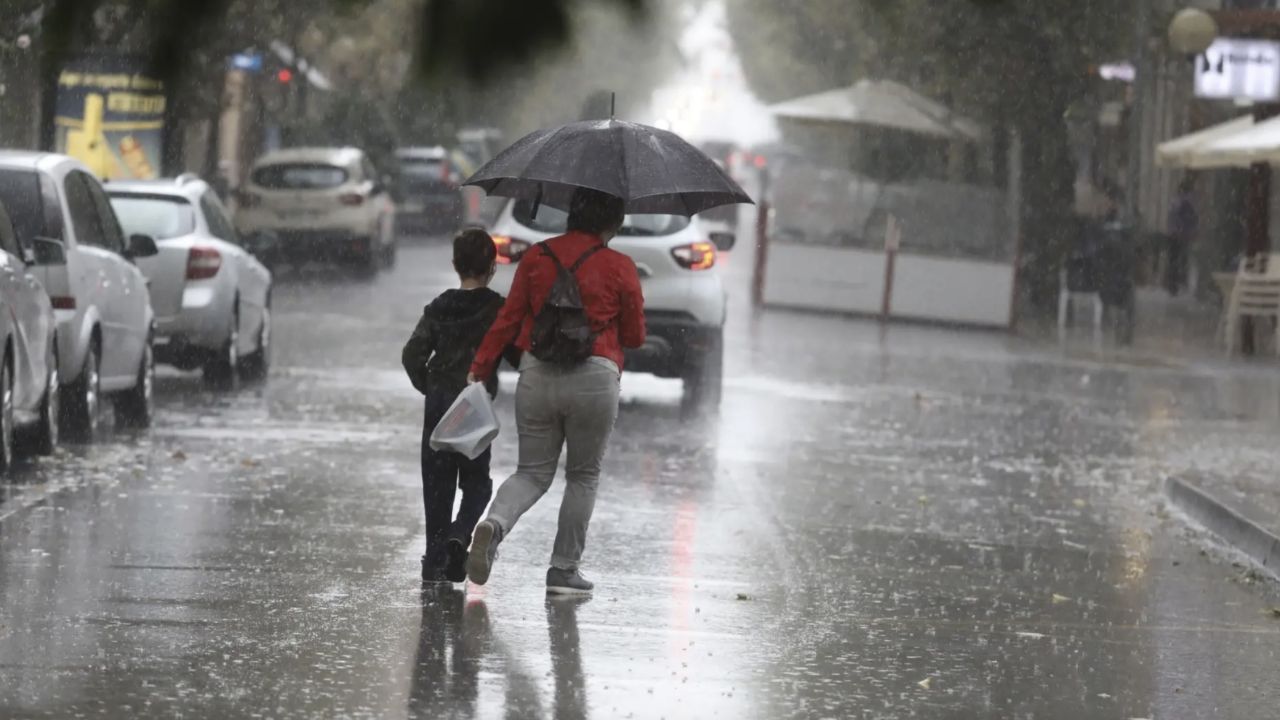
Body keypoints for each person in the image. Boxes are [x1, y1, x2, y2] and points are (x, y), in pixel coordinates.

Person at [464, 188, 645, 596]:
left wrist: (480, 367)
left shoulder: (538, 257)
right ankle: (563, 570)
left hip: (538, 373)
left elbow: (508, 320)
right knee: (583, 475)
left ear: (571, 213)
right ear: (612, 222)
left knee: (531, 472)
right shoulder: (620, 266)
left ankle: (494, 525)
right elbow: (634, 335)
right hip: (595, 377)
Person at [401, 229, 507, 584]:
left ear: (455, 265)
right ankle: (460, 533)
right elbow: (518, 354)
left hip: (440, 404)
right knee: (477, 483)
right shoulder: (496, 308)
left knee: (437, 483)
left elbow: (412, 353)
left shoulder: (440, 306)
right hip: (474, 406)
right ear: (492, 267)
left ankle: (434, 562)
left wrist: (429, 386)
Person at [1166, 175, 1198, 296]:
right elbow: (1191, 219)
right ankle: (1178, 284)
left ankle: (1172, 285)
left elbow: (1172, 217)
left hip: (1173, 234)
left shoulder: (1175, 200)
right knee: (1181, 260)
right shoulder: (1187, 201)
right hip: (1181, 235)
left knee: (1173, 261)